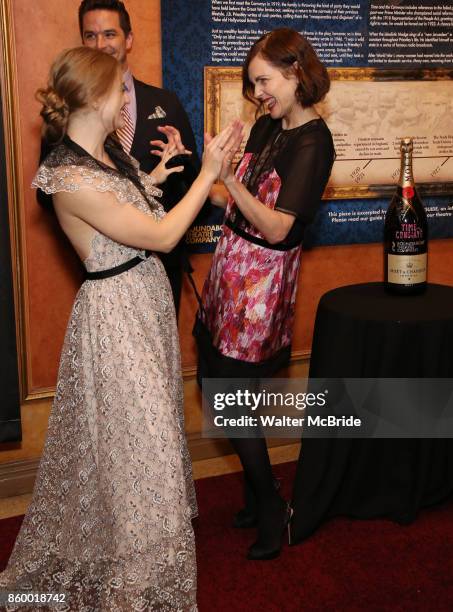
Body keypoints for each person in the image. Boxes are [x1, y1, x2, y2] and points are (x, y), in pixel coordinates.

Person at [0, 46, 241, 610]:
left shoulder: (103, 155)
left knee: (140, 439)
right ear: (99, 99)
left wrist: (161, 173)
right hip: (117, 318)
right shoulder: (65, 174)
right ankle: (134, 585)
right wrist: (208, 173)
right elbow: (158, 237)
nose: (125, 99)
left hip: (143, 305)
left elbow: (134, 212)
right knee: (142, 448)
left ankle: (138, 566)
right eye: (119, 90)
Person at [194, 28, 335, 560]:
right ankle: (260, 495)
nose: (258, 93)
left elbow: (278, 228)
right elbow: (224, 195)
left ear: (296, 73)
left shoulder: (314, 141)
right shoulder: (266, 125)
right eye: (252, 83)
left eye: (265, 81)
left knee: (232, 401)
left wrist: (230, 182)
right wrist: (198, 168)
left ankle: (272, 510)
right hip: (229, 274)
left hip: (260, 287)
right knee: (216, 386)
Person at [79, 0, 202, 314]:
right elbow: (49, 192)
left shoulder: (166, 102)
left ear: (128, 40)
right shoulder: (72, 108)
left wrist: (182, 161)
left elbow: (192, 179)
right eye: (90, 35)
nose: (100, 44)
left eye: (109, 34)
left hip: (163, 262)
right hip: (108, 272)